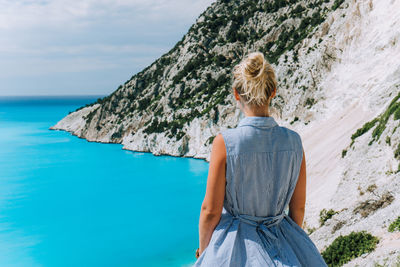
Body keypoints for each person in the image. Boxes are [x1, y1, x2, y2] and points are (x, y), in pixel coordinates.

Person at [193, 52, 327, 266]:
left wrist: (205, 252)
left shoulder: (225, 143)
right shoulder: (294, 141)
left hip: (235, 245)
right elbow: (298, 209)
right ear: (273, 91)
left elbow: (210, 211)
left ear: (236, 94)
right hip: (282, 237)